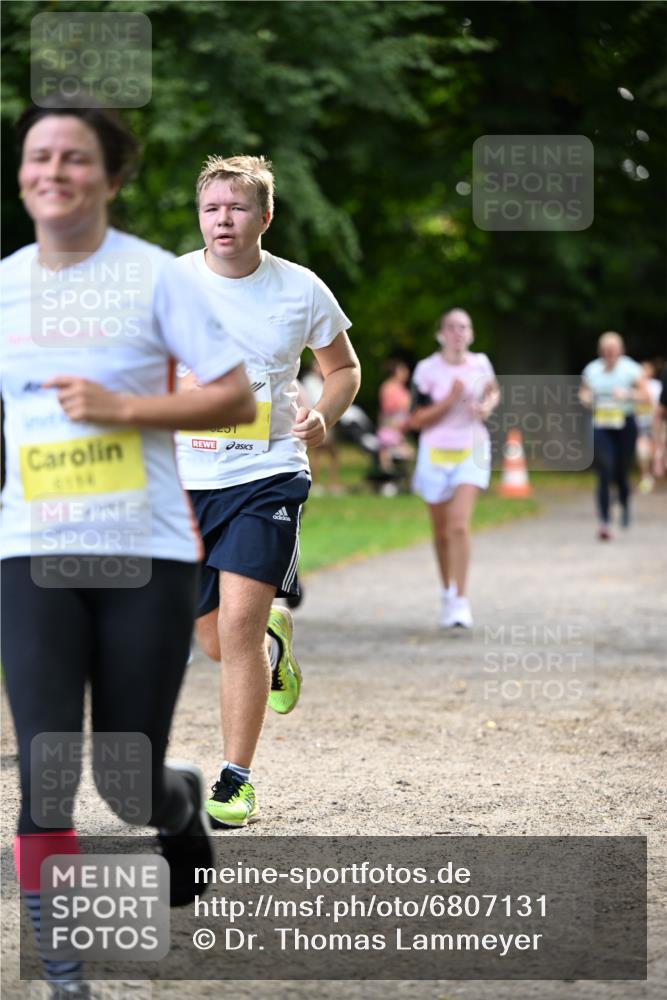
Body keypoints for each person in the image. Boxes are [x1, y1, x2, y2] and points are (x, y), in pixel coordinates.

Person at [0, 105, 255, 996]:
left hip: (144, 555)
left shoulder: (154, 277)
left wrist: (124, 410)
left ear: (110, 178)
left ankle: (175, 803)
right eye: (39, 155)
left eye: (75, 157)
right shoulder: (3, 287)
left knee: (126, 779)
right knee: (45, 766)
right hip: (31, 552)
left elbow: (231, 397)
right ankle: (64, 977)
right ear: (23, 174)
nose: (53, 169)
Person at [174, 155, 360, 828]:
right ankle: (274, 641)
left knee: (236, 626)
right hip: (186, 481)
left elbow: (341, 367)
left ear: (264, 217)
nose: (223, 219)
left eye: (237, 207)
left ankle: (234, 779)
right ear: (200, 217)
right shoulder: (169, 284)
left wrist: (323, 413)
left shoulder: (300, 288)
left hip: (268, 474)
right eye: (211, 208)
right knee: (216, 641)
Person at [409, 309, 499, 629]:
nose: (458, 333)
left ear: (471, 334)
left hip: (471, 449)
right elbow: (416, 419)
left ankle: (461, 599)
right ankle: (447, 589)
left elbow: (492, 393)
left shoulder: (481, 364)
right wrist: (450, 399)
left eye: (464, 327)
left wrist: (485, 407)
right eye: (451, 327)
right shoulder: (426, 369)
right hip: (435, 452)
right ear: (440, 334)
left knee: (459, 524)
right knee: (442, 531)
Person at [579, 332, 649, 540]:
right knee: (605, 468)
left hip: (625, 422)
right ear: (601, 350)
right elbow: (583, 393)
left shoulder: (631, 369)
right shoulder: (591, 370)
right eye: (606, 349)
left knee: (621, 470)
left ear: (620, 350)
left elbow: (646, 395)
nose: (610, 352)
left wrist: (627, 395)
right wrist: (587, 398)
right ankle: (604, 520)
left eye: (614, 348)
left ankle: (625, 503)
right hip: (601, 423)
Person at [300, 357, 343, 494]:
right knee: (317, 453)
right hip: (315, 418)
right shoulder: (310, 382)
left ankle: (332, 482)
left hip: (326, 419)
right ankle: (316, 483)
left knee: (332, 453)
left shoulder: (323, 381)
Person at [377, 358, 414, 478]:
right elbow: (389, 409)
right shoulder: (388, 387)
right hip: (391, 428)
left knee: (410, 454)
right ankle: (390, 479)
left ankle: (405, 481)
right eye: (402, 370)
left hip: (400, 429)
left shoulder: (402, 388)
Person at [635, 358, 663, 494]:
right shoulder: (634, 385)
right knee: (641, 451)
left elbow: (659, 405)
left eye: (646, 369)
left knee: (653, 451)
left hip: (653, 422)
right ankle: (646, 477)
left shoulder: (656, 385)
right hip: (639, 422)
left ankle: (653, 474)